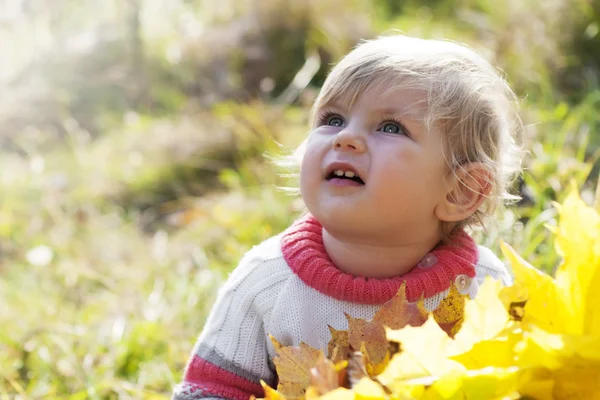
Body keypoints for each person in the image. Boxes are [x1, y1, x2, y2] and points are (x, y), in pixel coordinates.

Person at [172, 34, 522, 400]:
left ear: (460, 191)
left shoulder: (484, 287)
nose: (346, 138)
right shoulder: (266, 281)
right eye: (333, 119)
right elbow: (212, 390)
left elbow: (520, 383)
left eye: (390, 127)